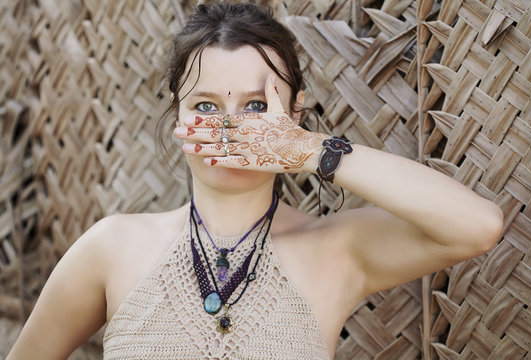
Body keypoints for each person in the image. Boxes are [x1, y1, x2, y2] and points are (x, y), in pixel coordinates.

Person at [7, 2, 504, 359]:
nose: (232, 128)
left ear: (294, 113)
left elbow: (478, 226)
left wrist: (311, 150)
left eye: (255, 107)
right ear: (177, 118)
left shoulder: (336, 249)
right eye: (206, 106)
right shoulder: (112, 246)